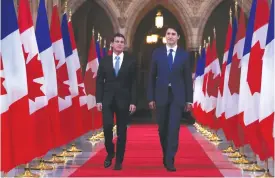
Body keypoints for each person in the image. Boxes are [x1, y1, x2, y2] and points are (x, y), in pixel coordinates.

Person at [147, 26, 193, 171]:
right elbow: (151, 77)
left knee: (173, 128)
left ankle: (170, 158)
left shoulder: (183, 55)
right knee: (162, 129)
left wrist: (189, 100)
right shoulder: (157, 53)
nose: (171, 36)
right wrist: (150, 97)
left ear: (178, 37)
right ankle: (166, 153)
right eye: (168, 34)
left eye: (173, 34)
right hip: (161, 95)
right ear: (165, 36)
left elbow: (187, 79)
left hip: (177, 96)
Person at [96, 33, 137, 170]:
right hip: (107, 100)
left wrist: (133, 101)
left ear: (124, 45)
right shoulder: (104, 61)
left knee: (121, 132)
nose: (119, 44)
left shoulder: (131, 61)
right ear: (112, 44)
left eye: (122, 42)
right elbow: (99, 81)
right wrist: (98, 100)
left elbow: (134, 83)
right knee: (107, 127)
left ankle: (119, 160)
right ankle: (110, 152)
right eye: (117, 41)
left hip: (124, 100)